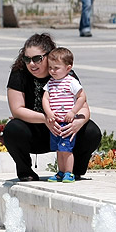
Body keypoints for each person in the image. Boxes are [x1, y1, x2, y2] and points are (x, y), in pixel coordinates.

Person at [2, 32, 101, 182]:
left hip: (64, 130)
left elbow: (84, 107)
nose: (31, 64)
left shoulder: (66, 75)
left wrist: (78, 122)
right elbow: (17, 110)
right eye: (27, 59)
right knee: (12, 129)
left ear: (49, 56)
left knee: (92, 131)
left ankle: (74, 170)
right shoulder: (19, 74)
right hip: (36, 131)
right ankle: (25, 171)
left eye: (37, 59)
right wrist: (45, 119)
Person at [42, 47, 87, 183]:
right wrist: (49, 112)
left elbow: (82, 97)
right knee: (58, 149)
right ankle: (60, 172)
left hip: (67, 123)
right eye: (50, 68)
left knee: (67, 149)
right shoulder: (50, 83)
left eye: (56, 68)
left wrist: (73, 112)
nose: (52, 71)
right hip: (56, 123)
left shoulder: (71, 82)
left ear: (68, 68)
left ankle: (69, 172)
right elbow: (45, 99)